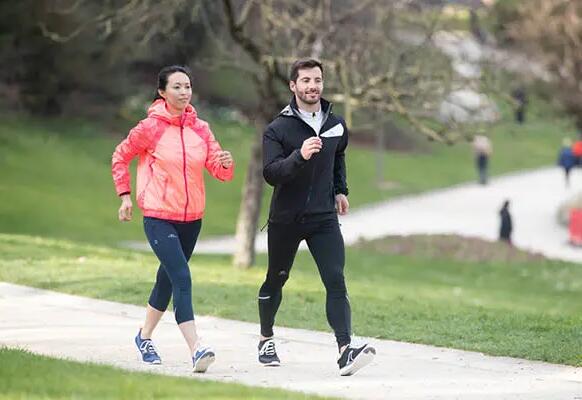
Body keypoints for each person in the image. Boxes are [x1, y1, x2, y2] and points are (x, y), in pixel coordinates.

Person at [111, 65, 234, 373]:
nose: (184, 92)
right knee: (181, 277)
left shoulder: (201, 129)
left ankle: (143, 337)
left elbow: (218, 171)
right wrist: (125, 196)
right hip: (158, 216)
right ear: (162, 93)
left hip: (192, 219)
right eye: (177, 87)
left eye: (188, 86)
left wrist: (225, 164)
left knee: (166, 280)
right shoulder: (149, 128)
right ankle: (197, 348)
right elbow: (120, 156)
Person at [257, 58, 376, 376]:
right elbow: (271, 173)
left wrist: (340, 190)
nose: (313, 86)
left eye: (318, 80)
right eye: (306, 80)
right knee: (276, 278)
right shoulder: (277, 129)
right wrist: (299, 156)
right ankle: (266, 338)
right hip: (286, 218)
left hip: (323, 217)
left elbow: (338, 157)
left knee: (336, 280)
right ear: (293, 86)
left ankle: (345, 350)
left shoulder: (336, 123)